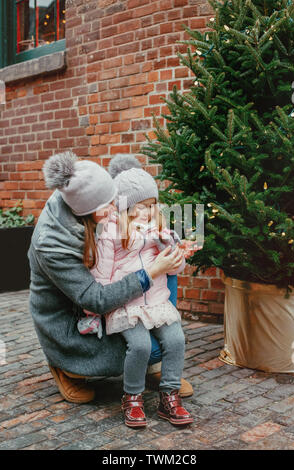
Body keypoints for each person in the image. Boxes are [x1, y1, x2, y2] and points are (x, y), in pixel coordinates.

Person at [27, 151, 194, 405]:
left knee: (164, 271)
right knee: (139, 347)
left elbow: (144, 235)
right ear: (87, 212)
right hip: (76, 316)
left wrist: (171, 246)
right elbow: (94, 299)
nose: (115, 210)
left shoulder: (84, 192)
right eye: (108, 207)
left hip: (108, 294)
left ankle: (151, 365)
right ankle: (66, 366)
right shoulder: (51, 245)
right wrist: (149, 273)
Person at [77, 155, 193, 428]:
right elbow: (102, 276)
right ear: (125, 207)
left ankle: (169, 396)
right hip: (125, 305)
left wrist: (175, 251)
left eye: (152, 206)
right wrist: (93, 311)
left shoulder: (159, 230)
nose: (147, 213)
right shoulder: (110, 234)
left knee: (176, 340)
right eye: (140, 207)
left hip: (156, 301)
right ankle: (132, 398)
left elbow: (175, 270)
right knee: (139, 346)